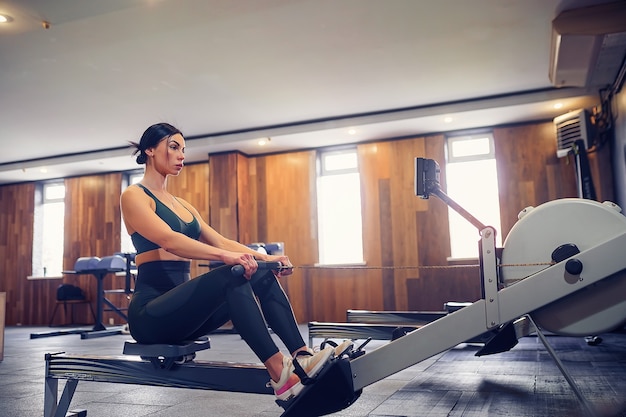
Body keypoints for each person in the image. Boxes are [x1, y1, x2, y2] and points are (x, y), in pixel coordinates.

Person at [121, 122, 349, 401]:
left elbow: (221, 241)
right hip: (150, 316)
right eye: (173, 147)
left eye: (183, 149)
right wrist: (228, 258)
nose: (181, 155)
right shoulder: (134, 195)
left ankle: (302, 356)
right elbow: (170, 240)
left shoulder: (183, 205)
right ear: (150, 150)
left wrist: (266, 259)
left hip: (182, 314)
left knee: (258, 272)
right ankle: (280, 374)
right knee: (233, 272)